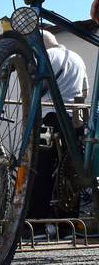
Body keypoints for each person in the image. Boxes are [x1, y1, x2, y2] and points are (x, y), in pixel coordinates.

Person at [28, 31, 88, 236]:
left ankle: (37, 225)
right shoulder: (78, 58)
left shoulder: (48, 57)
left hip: (50, 116)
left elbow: (36, 87)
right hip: (75, 121)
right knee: (71, 173)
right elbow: (85, 91)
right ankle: (66, 225)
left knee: (41, 170)